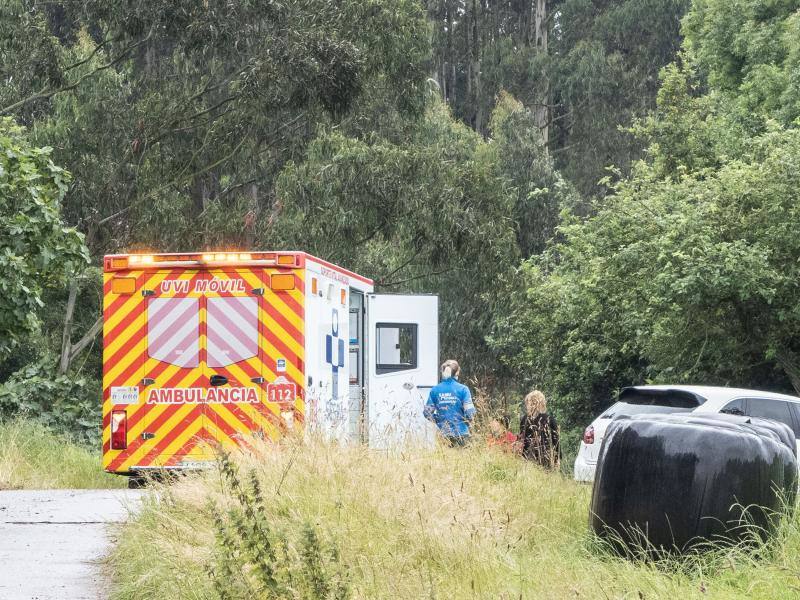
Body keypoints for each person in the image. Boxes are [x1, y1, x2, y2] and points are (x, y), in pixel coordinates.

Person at [424, 359, 475, 446]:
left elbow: (427, 413)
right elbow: (470, 412)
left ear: (443, 372)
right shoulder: (463, 389)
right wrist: (467, 422)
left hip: (443, 434)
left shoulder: (435, 390)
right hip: (462, 432)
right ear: (457, 372)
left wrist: (439, 420)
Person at [519, 390, 560, 469]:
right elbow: (556, 441)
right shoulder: (550, 419)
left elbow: (522, 440)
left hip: (529, 459)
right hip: (547, 459)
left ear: (530, 403)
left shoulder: (525, 419)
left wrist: (522, 456)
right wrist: (557, 459)